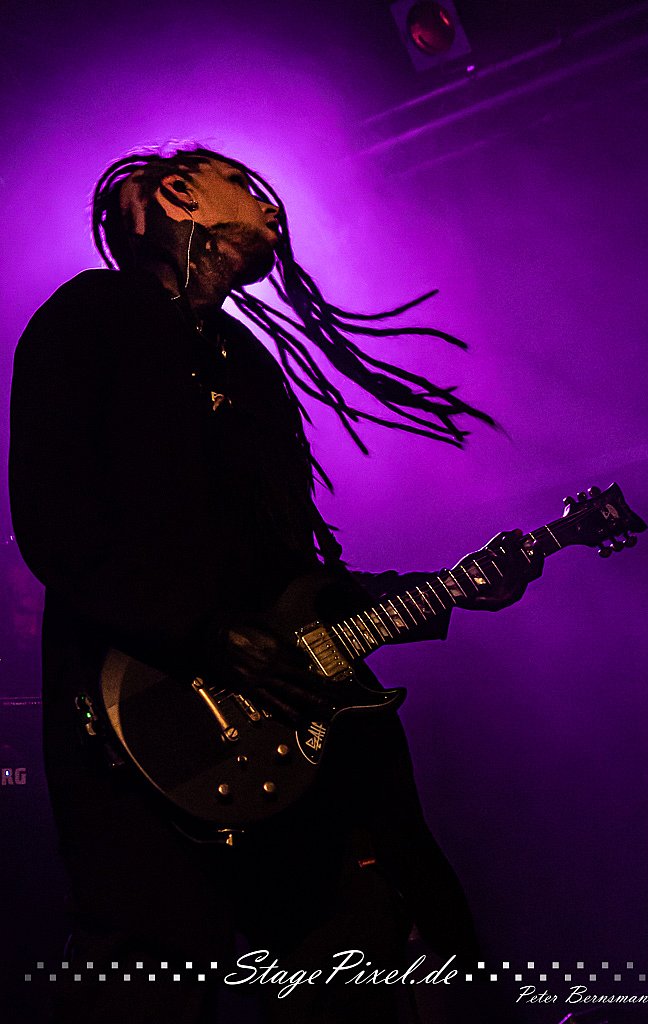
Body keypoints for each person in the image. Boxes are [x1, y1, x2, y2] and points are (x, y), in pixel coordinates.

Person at [9, 145, 542, 1023]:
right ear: (180, 194)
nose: (269, 204)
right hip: (143, 721)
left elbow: (289, 574)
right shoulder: (91, 315)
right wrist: (199, 632)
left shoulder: (245, 361)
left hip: (287, 732)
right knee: (151, 972)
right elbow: (55, 523)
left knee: (362, 956)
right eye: (243, 185)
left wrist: (441, 590)